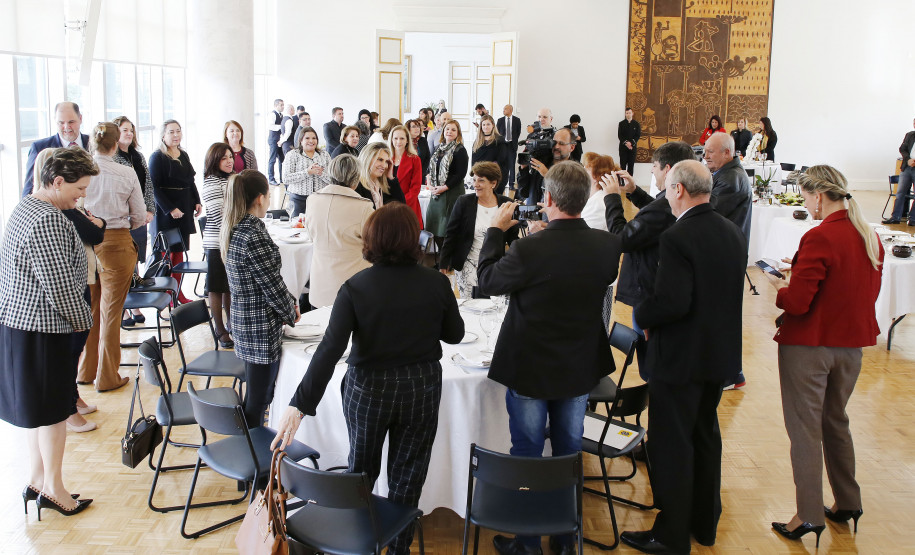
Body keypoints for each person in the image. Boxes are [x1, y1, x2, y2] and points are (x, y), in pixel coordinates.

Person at [271, 203, 464, 555]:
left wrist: (299, 405)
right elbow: (455, 335)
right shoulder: (436, 282)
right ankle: (400, 547)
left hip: (369, 389)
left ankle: (359, 542)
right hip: (420, 387)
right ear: (413, 239)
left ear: (371, 239)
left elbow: (329, 350)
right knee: (409, 473)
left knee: (361, 469)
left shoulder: (355, 287)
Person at [477, 161, 622, 555]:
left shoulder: (530, 249)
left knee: (527, 452)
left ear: (549, 199)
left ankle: (527, 543)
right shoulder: (608, 246)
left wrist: (495, 231)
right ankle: (564, 539)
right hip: (579, 365)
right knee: (568, 451)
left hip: (530, 366)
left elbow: (487, 280)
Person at [621, 160, 746, 554]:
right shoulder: (731, 230)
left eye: (666, 188)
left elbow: (672, 302)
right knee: (705, 437)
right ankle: (704, 523)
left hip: (679, 359)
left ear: (678, 190)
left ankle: (672, 534)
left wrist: (642, 315)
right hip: (718, 355)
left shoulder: (678, 236)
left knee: (671, 446)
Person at [763, 165, 882, 547]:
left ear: (818, 195)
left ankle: (808, 515)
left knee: (805, 431)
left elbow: (798, 303)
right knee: (836, 422)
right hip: (850, 348)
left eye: (805, 197)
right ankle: (848, 501)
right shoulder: (868, 235)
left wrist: (781, 286)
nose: (805, 204)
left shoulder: (819, 236)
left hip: (810, 347)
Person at [0, 147, 96, 518]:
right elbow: (60, 288)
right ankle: (55, 489)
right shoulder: (49, 220)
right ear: (57, 182)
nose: (82, 196)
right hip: (43, 329)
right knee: (55, 413)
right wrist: (84, 322)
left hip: (20, 326)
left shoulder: (25, 206)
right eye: (79, 188)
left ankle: (38, 480)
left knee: (39, 412)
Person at [602, 141, 696, 379]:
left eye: (654, 165)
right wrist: (634, 191)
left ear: (667, 168)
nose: (652, 171)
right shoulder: (674, 202)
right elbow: (655, 213)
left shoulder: (665, 206)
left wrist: (612, 198)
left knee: (651, 364)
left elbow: (622, 239)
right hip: (656, 288)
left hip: (648, 291)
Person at [221, 170, 300, 427]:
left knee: (256, 396)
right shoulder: (252, 234)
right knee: (259, 399)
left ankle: (249, 442)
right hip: (259, 328)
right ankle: (251, 447)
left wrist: (289, 304)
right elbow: (271, 285)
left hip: (245, 321)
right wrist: (291, 311)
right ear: (260, 198)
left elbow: (267, 280)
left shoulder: (238, 227)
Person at [78, 122, 146, 393]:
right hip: (116, 242)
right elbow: (138, 216)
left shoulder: (81, 172)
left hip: (84, 244)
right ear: (116, 144)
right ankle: (107, 376)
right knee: (111, 311)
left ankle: (85, 371)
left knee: (91, 308)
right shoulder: (125, 172)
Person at [439, 161, 519, 298]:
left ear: (493, 183)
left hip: (495, 266)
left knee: (494, 304)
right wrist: (443, 263)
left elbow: (513, 239)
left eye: (481, 180)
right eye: (474, 180)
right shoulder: (464, 202)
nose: (475, 184)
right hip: (467, 265)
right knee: (470, 304)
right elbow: (451, 234)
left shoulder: (506, 205)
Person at [304, 154, 374, 308]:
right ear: (356, 178)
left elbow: (310, 236)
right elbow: (375, 246)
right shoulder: (363, 207)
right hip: (353, 287)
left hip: (319, 284)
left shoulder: (312, 200)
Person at [148, 119, 201, 305]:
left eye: (178, 131)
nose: (176, 135)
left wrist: (197, 201)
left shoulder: (183, 154)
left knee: (179, 253)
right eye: (171, 132)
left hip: (184, 207)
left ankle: (177, 292)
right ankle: (166, 294)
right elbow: (154, 188)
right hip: (166, 213)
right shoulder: (157, 157)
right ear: (163, 135)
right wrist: (170, 208)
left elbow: (191, 181)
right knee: (166, 256)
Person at [111, 116, 155, 327]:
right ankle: (125, 308)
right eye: (124, 130)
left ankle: (134, 305)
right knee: (124, 264)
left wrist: (149, 209)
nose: (129, 133)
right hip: (122, 218)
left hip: (140, 217)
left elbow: (147, 185)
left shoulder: (138, 156)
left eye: (131, 130)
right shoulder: (112, 158)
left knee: (135, 262)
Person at [201, 143, 235, 348]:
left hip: (230, 239)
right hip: (216, 242)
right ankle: (220, 328)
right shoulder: (211, 182)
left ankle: (231, 323)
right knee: (216, 286)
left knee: (228, 286)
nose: (229, 161)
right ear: (215, 161)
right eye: (224, 158)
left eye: (230, 156)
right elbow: (218, 215)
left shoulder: (231, 178)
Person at [23, 102, 90, 196]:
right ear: (55, 121)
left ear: (80, 119)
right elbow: (29, 188)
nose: (66, 127)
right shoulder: (40, 148)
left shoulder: (94, 143)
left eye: (71, 122)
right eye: (61, 123)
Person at [424, 120, 469, 244]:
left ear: (458, 133)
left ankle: (446, 255)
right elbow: (429, 168)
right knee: (434, 226)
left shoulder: (460, 150)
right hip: (436, 193)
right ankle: (441, 254)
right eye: (447, 129)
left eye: (453, 130)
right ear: (443, 131)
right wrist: (429, 184)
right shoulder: (439, 148)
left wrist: (444, 187)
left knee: (446, 229)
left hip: (451, 191)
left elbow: (460, 174)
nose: (449, 132)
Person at [518, 124, 574, 206]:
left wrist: (548, 175)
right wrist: (524, 170)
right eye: (554, 142)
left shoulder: (576, 171)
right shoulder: (541, 163)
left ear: (572, 147)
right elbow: (524, 192)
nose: (556, 146)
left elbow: (568, 198)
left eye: (561, 143)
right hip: (532, 212)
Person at [283, 126, 331, 217]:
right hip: (298, 199)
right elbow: (286, 179)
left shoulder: (324, 155)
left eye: (314, 138)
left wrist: (321, 173)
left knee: (318, 224)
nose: (311, 141)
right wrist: (307, 172)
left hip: (320, 198)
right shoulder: (292, 155)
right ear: (301, 140)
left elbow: (332, 179)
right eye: (307, 138)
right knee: (298, 224)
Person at [882, 117, 915, 225]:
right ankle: (895, 217)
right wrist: (908, 159)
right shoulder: (909, 135)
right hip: (907, 167)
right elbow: (902, 149)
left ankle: (913, 219)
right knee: (900, 193)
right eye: (914, 123)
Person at [389, 125, 423, 227]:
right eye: (395, 138)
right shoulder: (387, 159)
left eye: (402, 138)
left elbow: (415, 188)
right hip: (388, 206)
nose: (398, 141)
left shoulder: (415, 159)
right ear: (391, 140)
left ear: (407, 140)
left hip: (408, 205)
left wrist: (401, 202)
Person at [355, 142, 406, 209]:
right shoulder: (356, 186)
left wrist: (390, 177)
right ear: (367, 159)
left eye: (386, 161)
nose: (384, 166)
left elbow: (402, 207)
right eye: (380, 160)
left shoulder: (385, 184)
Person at [471, 114, 511, 194]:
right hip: (480, 176)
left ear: (493, 125)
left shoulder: (500, 141)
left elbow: (502, 161)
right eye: (484, 125)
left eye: (488, 124)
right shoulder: (477, 142)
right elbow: (474, 161)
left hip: (493, 176)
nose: (486, 127)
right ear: (481, 126)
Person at [580, 152, 617, 231]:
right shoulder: (591, 196)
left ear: (597, 176)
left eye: (586, 169)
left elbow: (586, 232)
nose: (582, 171)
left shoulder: (599, 202)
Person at [497, 104, 522, 187]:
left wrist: (513, 140)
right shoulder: (500, 120)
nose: (503, 110)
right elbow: (497, 132)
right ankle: (502, 183)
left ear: (510, 110)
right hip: (502, 145)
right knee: (503, 165)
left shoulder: (517, 120)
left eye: (505, 109)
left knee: (512, 165)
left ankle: (511, 184)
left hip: (512, 145)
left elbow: (518, 132)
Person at [267, 98, 285, 185]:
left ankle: (282, 178)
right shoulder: (272, 114)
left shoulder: (281, 115)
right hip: (273, 140)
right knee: (272, 159)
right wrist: (282, 126)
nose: (283, 107)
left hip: (279, 140)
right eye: (281, 105)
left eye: (283, 105)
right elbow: (271, 126)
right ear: (276, 105)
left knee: (282, 159)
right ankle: (271, 179)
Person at [618, 107, 641, 175]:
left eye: (629, 113)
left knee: (631, 166)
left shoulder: (636, 124)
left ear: (632, 113)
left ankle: (629, 180)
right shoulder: (621, 124)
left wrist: (631, 144)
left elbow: (638, 135)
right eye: (627, 113)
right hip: (623, 148)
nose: (628, 114)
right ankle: (622, 180)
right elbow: (620, 135)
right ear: (625, 114)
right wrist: (626, 143)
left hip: (632, 148)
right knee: (622, 166)